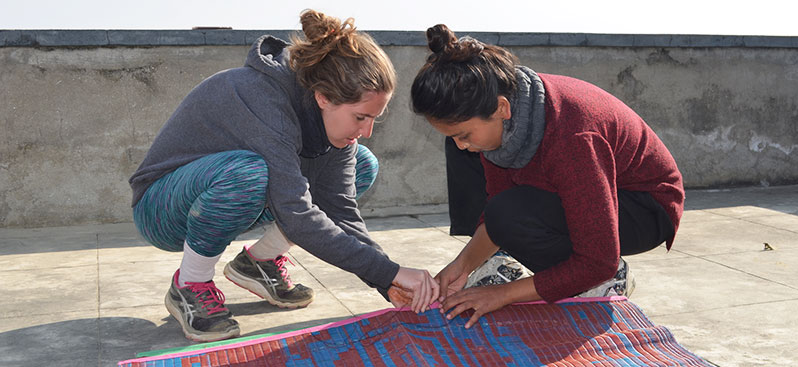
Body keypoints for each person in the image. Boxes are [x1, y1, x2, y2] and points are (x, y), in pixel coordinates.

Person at [129, 10, 438, 342]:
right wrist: (390, 272)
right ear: (324, 97)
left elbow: (340, 210)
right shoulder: (261, 98)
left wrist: (387, 280)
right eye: (361, 117)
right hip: (162, 207)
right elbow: (296, 214)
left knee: (363, 162)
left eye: (374, 118)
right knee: (250, 173)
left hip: (234, 192)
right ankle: (189, 283)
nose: (367, 130)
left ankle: (258, 263)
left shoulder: (329, 117)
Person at [409, 25, 685, 328]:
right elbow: (498, 205)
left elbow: (597, 259)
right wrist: (461, 267)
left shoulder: (572, 137)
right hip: (589, 189)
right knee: (489, 189)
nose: (462, 144)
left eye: (464, 134)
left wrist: (502, 294)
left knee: (516, 217)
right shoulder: (510, 113)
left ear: (501, 108)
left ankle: (606, 281)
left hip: (645, 208)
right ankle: (508, 264)